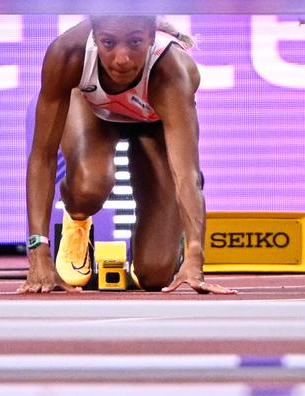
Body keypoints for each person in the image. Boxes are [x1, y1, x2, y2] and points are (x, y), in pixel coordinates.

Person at [18, 15, 235, 295]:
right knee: (89, 186)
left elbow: (187, 174)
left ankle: (176, 234)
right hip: (91, 108)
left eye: (134, 42)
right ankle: (78, 218)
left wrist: (195, 256)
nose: (122, 59)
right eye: (109, 43)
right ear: (95, 38)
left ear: (151, 37)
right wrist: (38, 251)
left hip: (152, 125)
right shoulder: (68, 53)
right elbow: (42, 157)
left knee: (155, 275)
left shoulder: (172, 70)